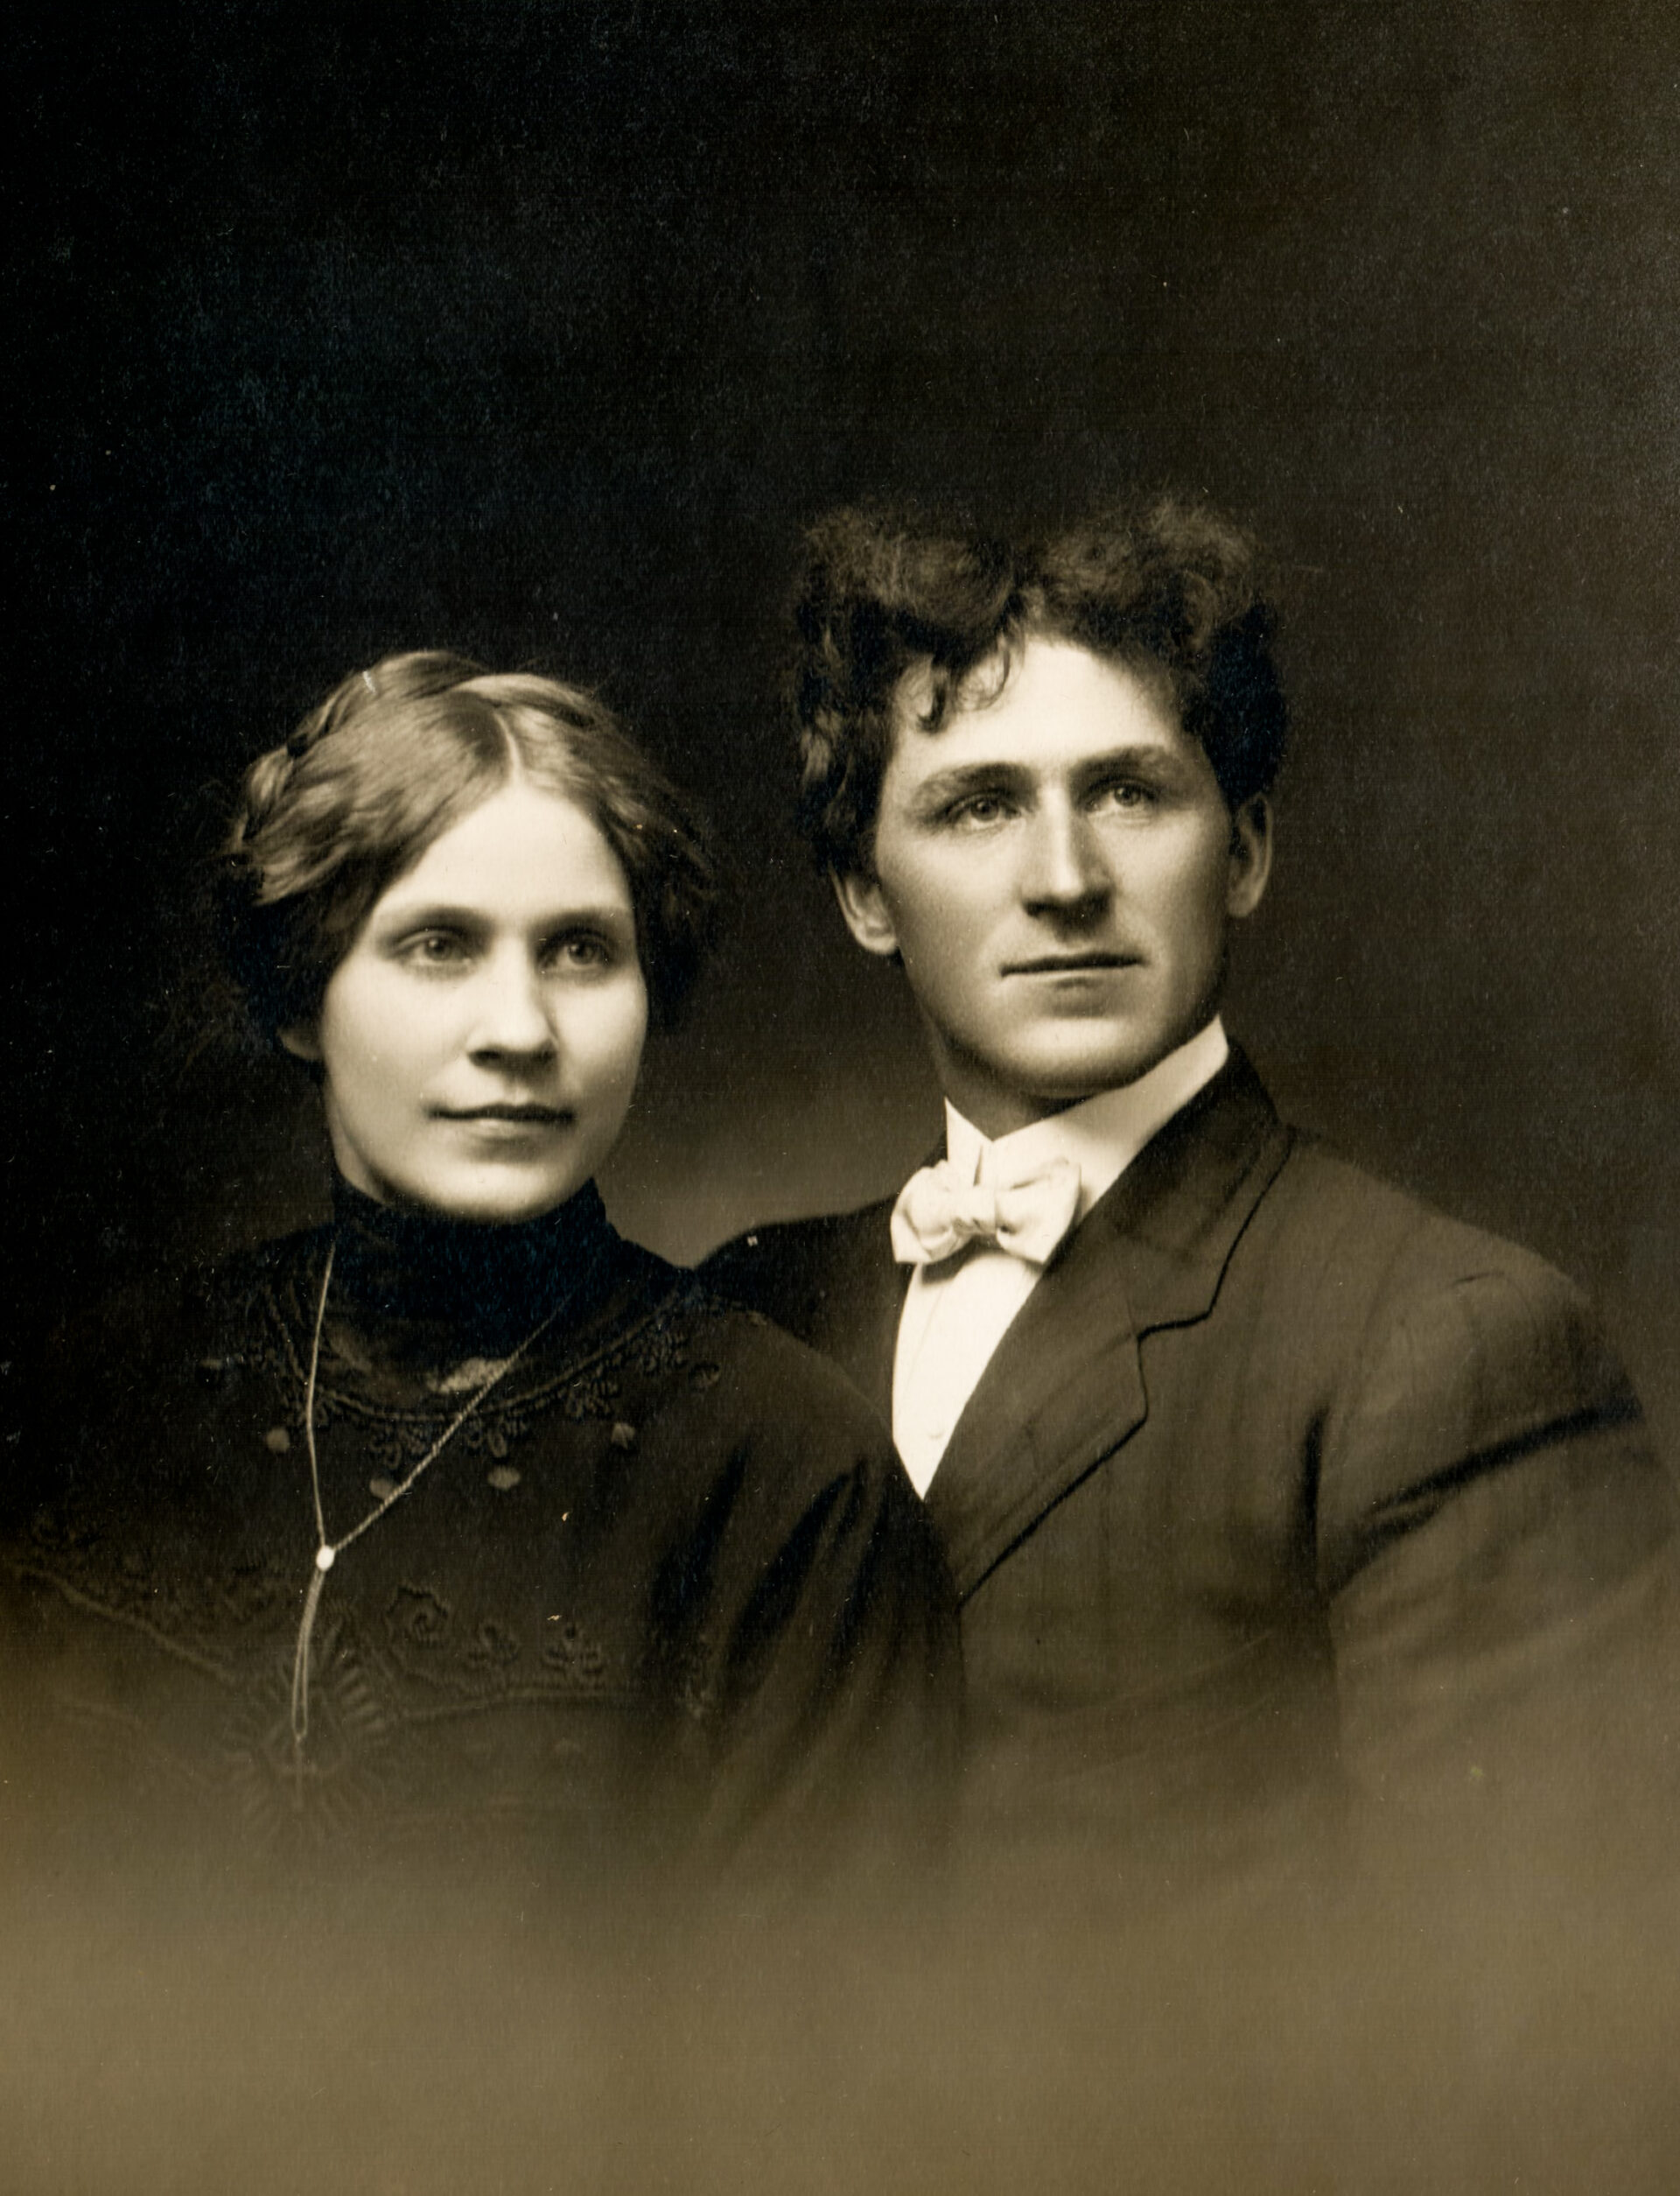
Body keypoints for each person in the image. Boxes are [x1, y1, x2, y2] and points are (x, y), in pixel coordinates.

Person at [703, 501, 1677, 1871]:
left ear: (1248, 848)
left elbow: (1518, 2025)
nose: (1065, 880)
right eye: (980, 805)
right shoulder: (748, 1318)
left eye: (1129, 791)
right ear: (865, 889)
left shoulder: (1455, 1342)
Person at [2, 650, 958, 1881]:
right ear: (302, 998)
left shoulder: (784, 1472)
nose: (519, 1030)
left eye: (578, 951)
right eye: (440, 945)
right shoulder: (108, 1393)